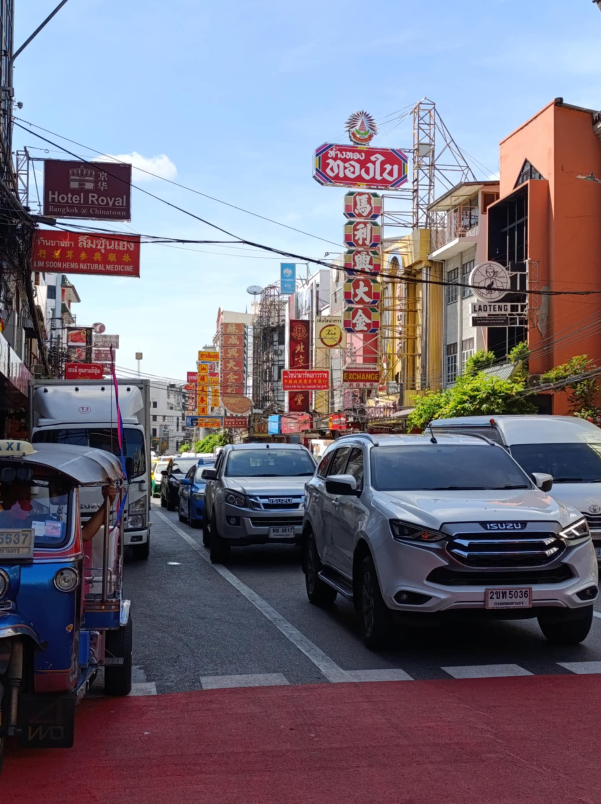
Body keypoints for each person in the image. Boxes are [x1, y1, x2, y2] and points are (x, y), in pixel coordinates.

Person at [0, 479, 116, 543]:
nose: (25, 504)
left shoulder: (42, 523)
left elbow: (84, 535)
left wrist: (107, 503)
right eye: (19, 499)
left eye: (28, 499)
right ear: (5, 499)